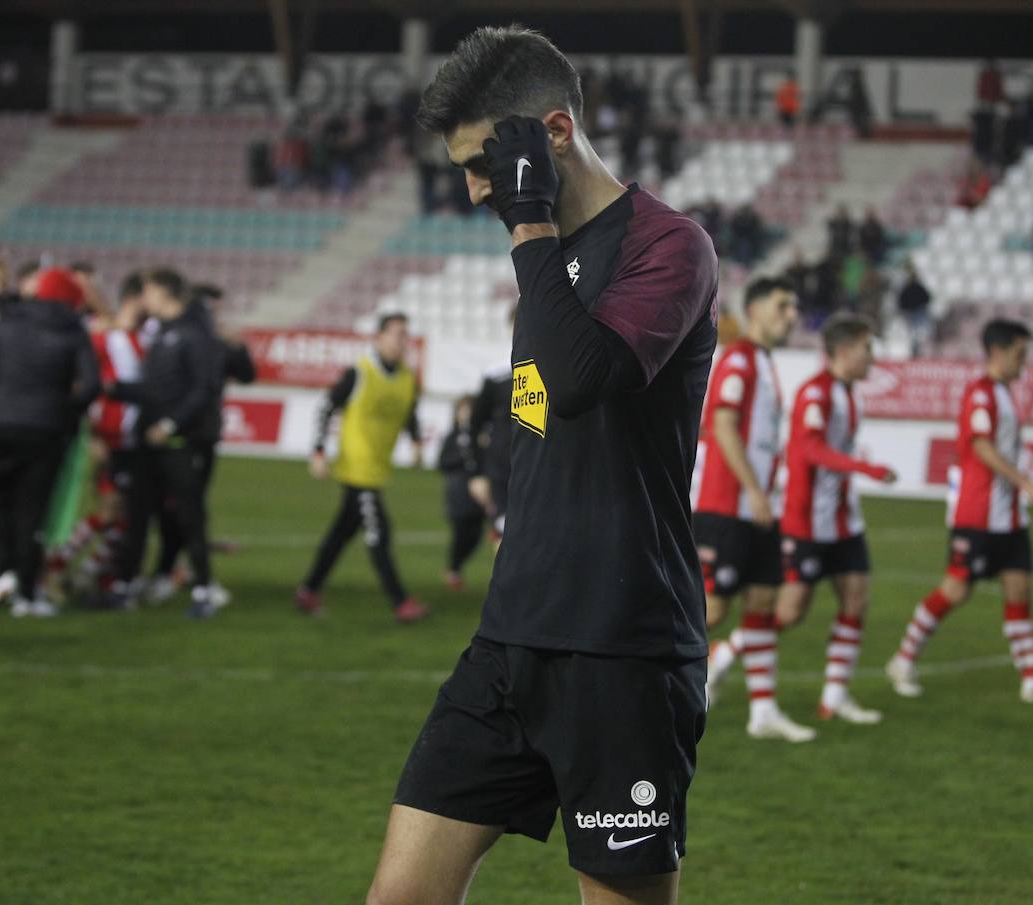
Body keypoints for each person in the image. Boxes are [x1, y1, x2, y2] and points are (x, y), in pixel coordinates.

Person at [368, 25, 718, 905]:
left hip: (623, 650)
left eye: (486, 162)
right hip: (511, 638)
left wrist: (529, 226)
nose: (475, 187)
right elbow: (531, 416)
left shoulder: (667, 247)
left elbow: (577, 380)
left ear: (553, 133)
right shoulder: (545, 261)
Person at [885, 320, 1033, 704]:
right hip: (977, 513)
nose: (1024, 362)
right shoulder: (981, 394)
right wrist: (1028, 484)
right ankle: (903, 660)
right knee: (955, 590)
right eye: (1019, 354)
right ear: (997, 352)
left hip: (1008, 516)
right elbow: (981, 446)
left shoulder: (1004, 393)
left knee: (1019, 589)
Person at [697, 278, 814, 743]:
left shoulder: (764, 364)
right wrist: (755, 491)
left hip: (759, 510)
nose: (792, 315)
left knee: (764, 604)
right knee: (708, 612)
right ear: (757, 309)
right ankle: (636, 688)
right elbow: (721, 427)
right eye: (784, 305)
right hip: (727, 508)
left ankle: (763, 712)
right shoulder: (740, 359)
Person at [775, 314, 897, 727]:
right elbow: (809, 448)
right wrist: (864, 468)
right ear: (843, 351)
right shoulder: (816, 393)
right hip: (808, 521)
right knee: (790, 614)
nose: (873, 358)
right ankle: (732, 649)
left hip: (846, 520)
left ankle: (834, 696)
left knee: (857, 600)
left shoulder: (849, 393)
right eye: (867, 349)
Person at [0, 268, 99, 617]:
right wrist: (65, 410)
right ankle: (27, 593)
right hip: (45, 431)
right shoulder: (73, 330)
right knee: (32, 510)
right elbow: (90, 385)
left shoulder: (4, 324)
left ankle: (2, 575)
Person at [295, 313, 427, 623]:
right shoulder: (360, 372)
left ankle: (308, 590)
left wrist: (417, 441)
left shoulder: (407, 377)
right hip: (357, 468)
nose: (402, 341)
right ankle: (401, 602)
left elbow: (410, 412)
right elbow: (327, 406)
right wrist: (318, 450)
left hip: (378, 469)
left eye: (405, 335)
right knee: (379, 532)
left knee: (340, 534)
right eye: (396, 334)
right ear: (378, 337)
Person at [107, 269, 223, 618]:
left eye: (149, 292)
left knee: (190, 516)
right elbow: (154, 389)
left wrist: (170, 423)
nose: (145, 300)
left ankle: (204, 591)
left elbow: (204, 388)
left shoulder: (192, 334)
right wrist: (112, 389)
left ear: (164, 292)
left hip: (178, 441)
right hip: (149, 441)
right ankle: (126, 587)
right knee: (138, 515)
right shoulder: (163, 333)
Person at [44, 272, 146, 599]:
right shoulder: (100, 339)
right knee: (110, 510)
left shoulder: (140, 338)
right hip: (110, 437)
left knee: (125, 514)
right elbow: (83, 383)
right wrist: (94, 435)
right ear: (135, 299)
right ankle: (57, 567)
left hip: (134, 441)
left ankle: (93, 574)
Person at [439, 395, 486, 591]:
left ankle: (455, 568)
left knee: (476, 535)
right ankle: (454, 570)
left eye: (470, 410)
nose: (466, 414)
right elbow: (442, 463)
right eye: (463, 410)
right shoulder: (453, 437)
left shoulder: (482, 435)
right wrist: (463, 458)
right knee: (460, 533)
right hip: (458, 492)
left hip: (479, 494)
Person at [469, 361, 513, 543]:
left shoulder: (551, 366)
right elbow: (475, 425)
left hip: (540, 471)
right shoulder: (497, 376)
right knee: (503, 532)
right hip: (501, 471)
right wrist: (477, 473)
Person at [897, 261, 933, 357]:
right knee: (914, 334)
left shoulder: (916, 287)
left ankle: (920, 349)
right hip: (912, 313)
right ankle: (915, 349)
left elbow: (927, 298)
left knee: (920, 333)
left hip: (917, 312)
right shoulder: (908, 287)